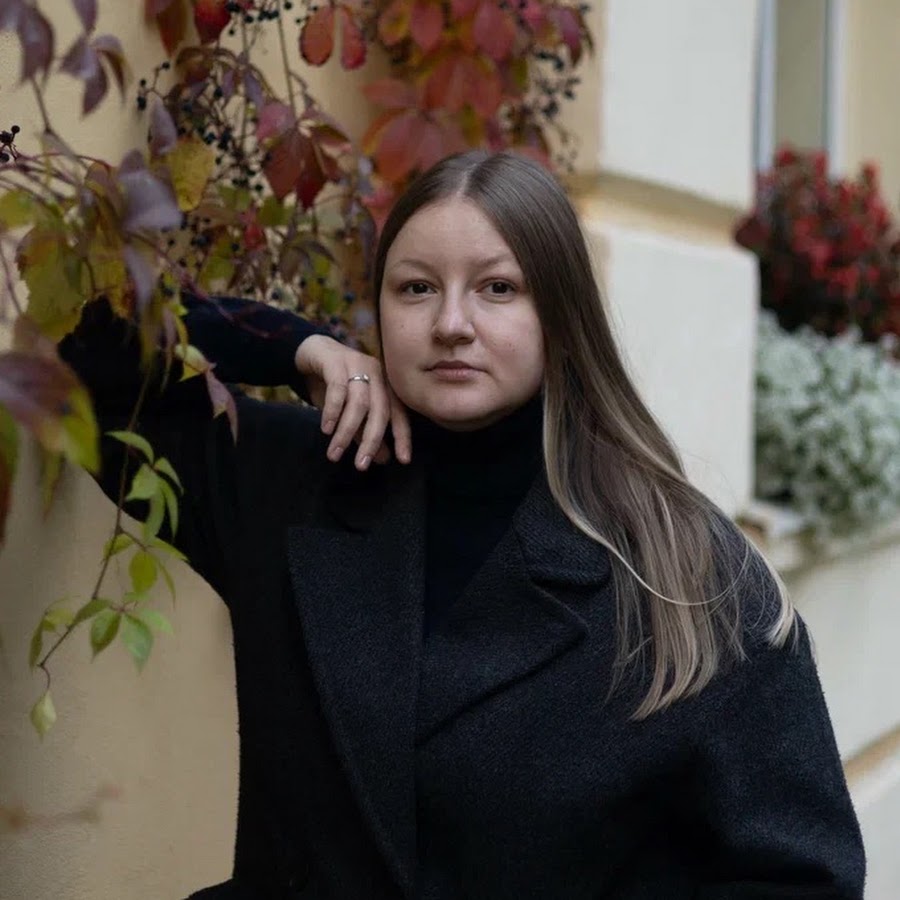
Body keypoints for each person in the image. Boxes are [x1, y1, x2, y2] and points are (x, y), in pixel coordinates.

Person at [61, 150, 866, 899]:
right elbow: (87, 365)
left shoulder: (686, 568)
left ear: (562, 314)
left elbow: (803, 878)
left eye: (497, 288)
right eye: (416, 288)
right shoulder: (288, 482)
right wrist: (297, 348)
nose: (451, 323)